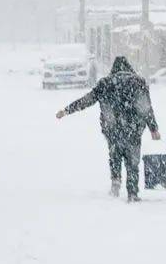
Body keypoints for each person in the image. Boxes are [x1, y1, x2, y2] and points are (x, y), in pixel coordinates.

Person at [55, 56, 160, 203]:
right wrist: (153, 129)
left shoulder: (105, 83)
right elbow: (146, 108)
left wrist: (66, 111)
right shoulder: (138, 82)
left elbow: (86, 100)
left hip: (113, 130)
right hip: (134, 129)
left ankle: (115, 183)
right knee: (132, 162)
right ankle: (132, 192)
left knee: (115, 156)